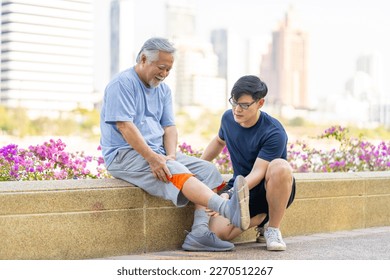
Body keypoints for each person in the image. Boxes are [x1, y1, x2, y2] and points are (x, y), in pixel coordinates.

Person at [99, 37, 250, 252]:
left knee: (207, 170)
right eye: (161, 68)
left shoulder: (163, 90)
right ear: (143, 58)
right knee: (175, 169)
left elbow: (169, 128)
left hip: (159, 153)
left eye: (169, 70)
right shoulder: (122, 84)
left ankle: (199, 234)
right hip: (125, 155)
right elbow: (124, 126)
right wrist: (153, 159)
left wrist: (169, 155)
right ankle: (226, 208)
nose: (164, 74)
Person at [199, 75, 296, 251]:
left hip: (267, 188)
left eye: (244, 105)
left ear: (260, 103)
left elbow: (258, 173)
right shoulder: (228, 119)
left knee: (280, 166)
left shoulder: (273, 132)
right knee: (217, 232)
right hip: (241, 186)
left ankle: (273, 228)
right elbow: (219, 142)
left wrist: (228, 194)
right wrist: (198, 166)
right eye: (234, 102)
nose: (237, 109)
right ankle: (262, 218)